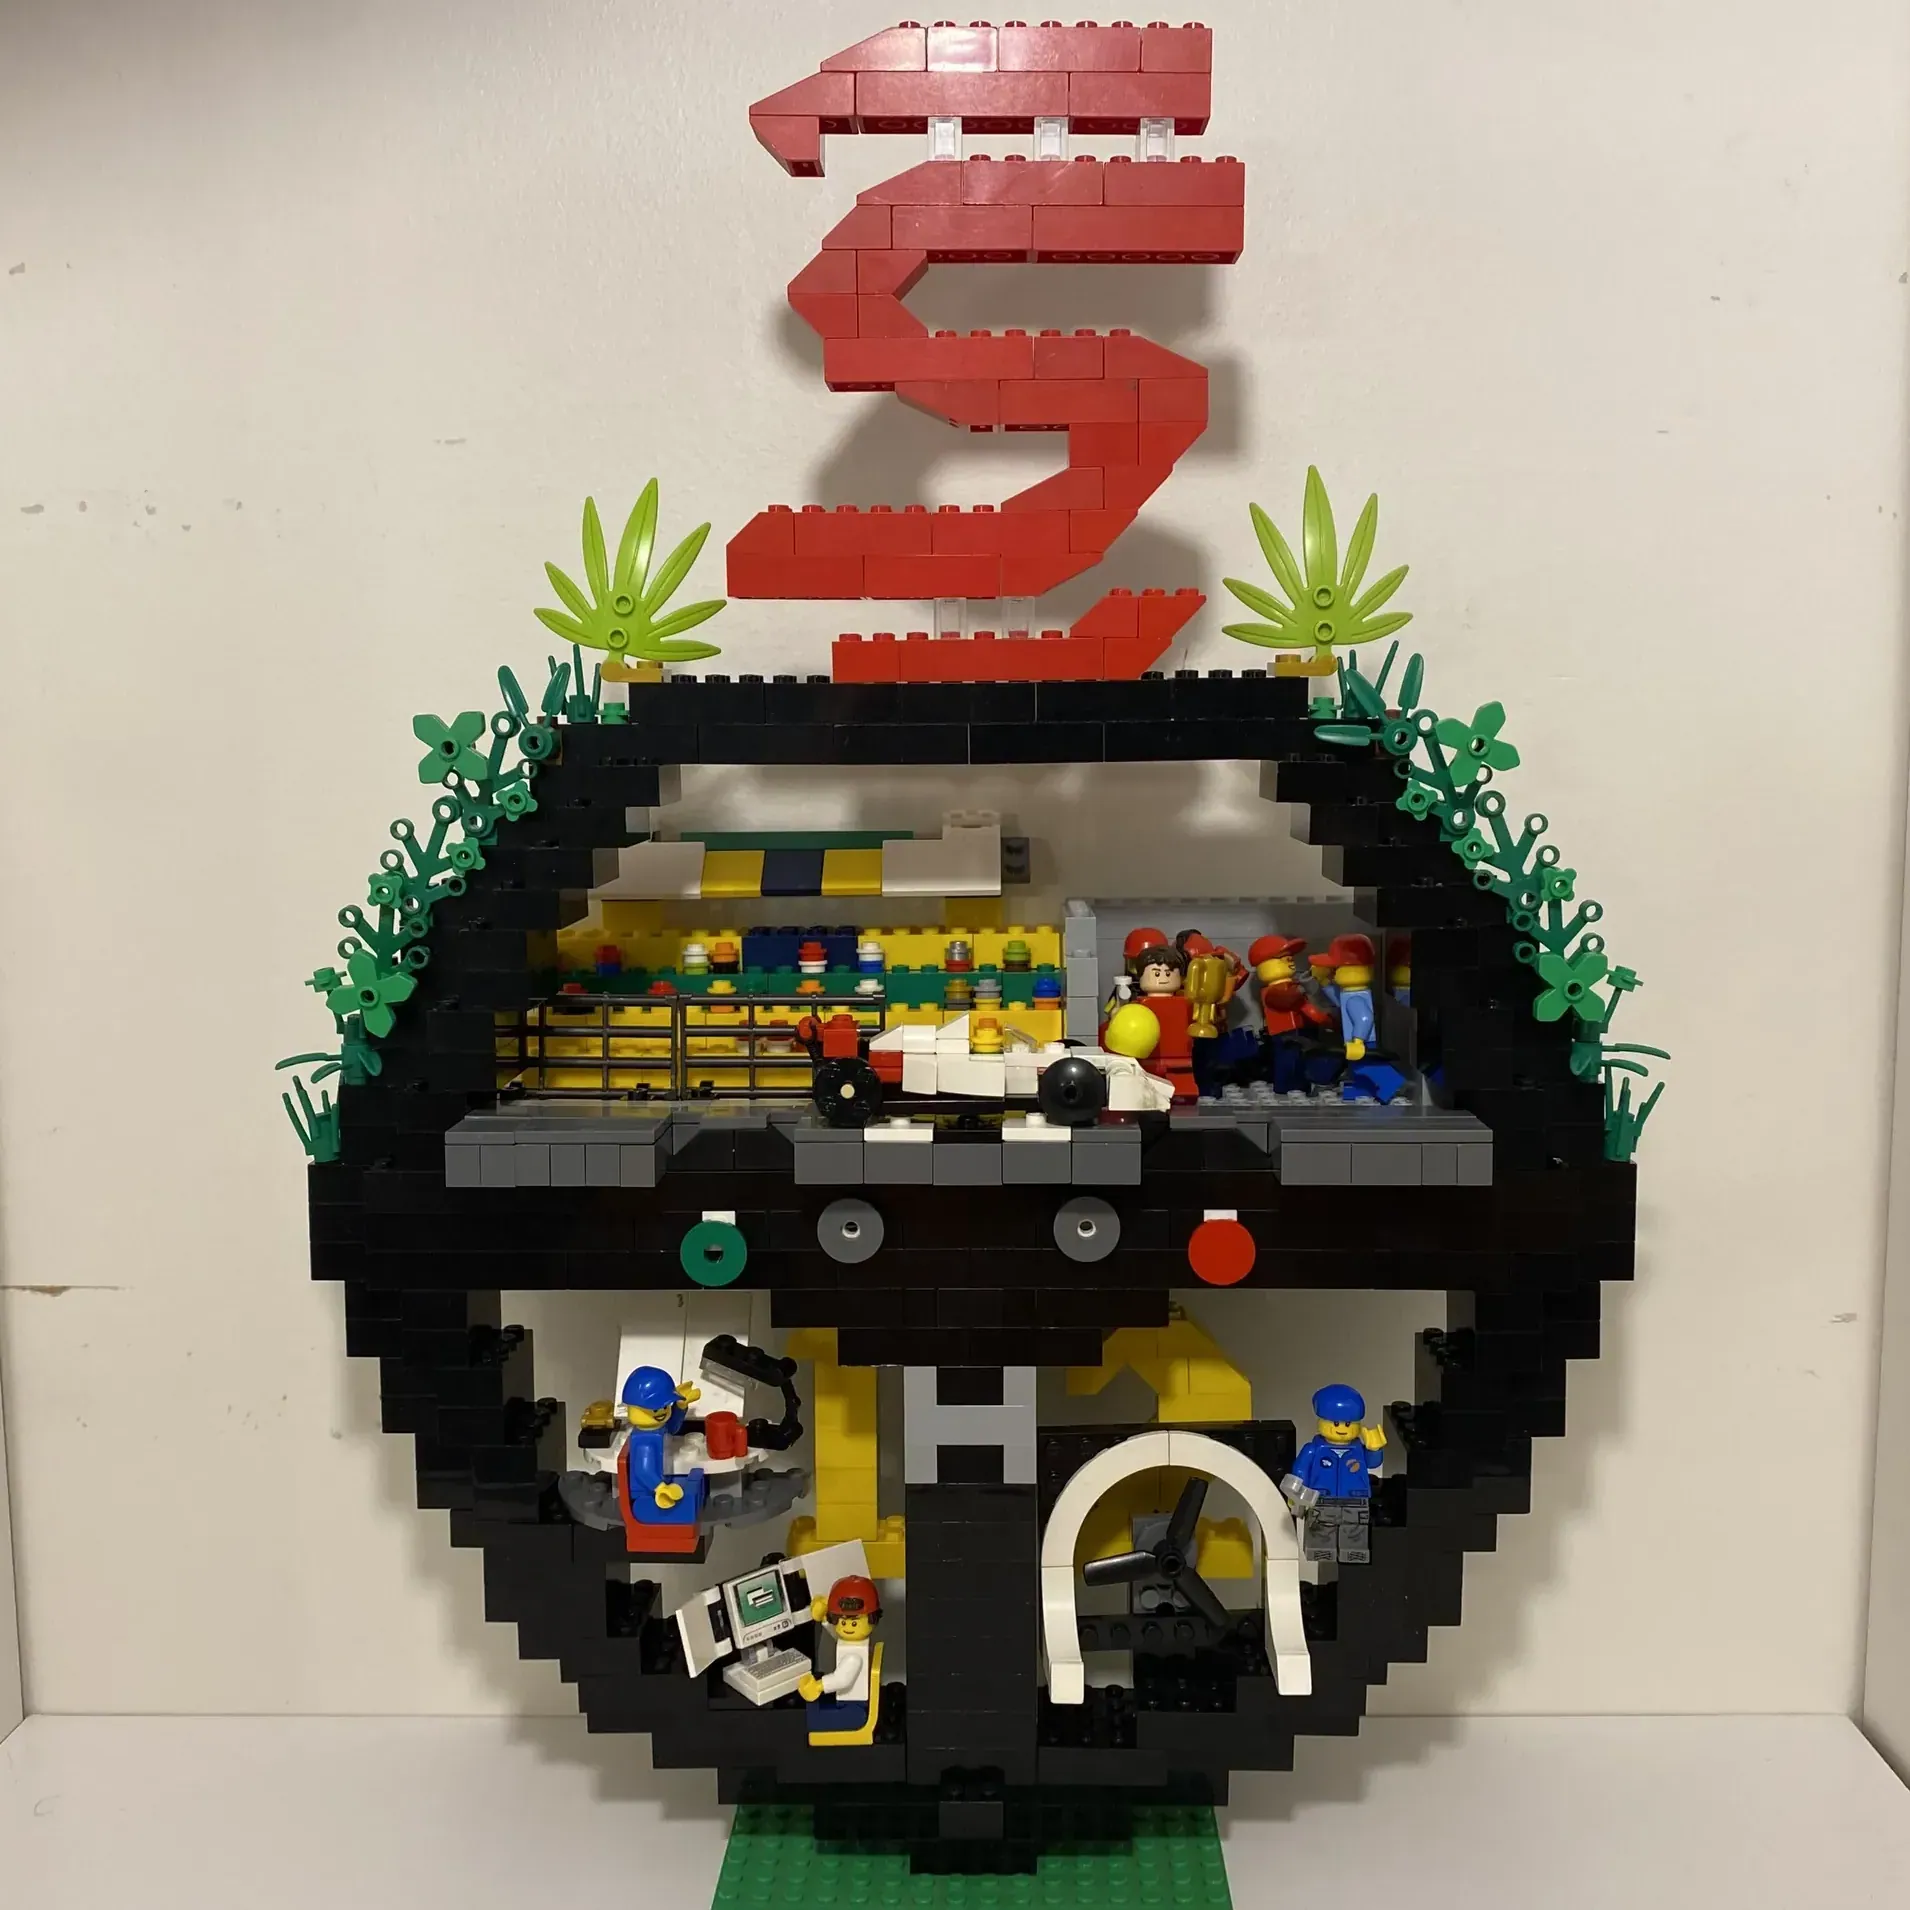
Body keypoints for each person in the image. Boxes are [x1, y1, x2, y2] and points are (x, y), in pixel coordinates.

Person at [1281, 1383, 1386, 1565]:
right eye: (1336, 1423)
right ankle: (1321, 1551)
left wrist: (1374, 1449)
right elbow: (1300, 1469)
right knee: (1322, 1527)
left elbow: (1373, 1463)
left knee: (1354, 1528)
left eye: (1348, 1424)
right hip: (1321, 1498)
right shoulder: (1313, 1449)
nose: (1342, 1429)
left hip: (1355, 1498)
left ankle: (1353, 1552)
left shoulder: (1359, 1450)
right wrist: (1295, 1493)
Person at [798, 1575, 882, 1731]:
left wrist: (817, 1686)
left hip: (853, 1710)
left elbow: (841, 1680)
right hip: (853, 1704)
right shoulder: (857, 1642)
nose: (847, 1627)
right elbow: (837, 1635)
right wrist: (824, 1618)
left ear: (872, 1619)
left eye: (854, 1622)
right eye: (842, 1622)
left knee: (811, 1716)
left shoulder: (854, 1657)